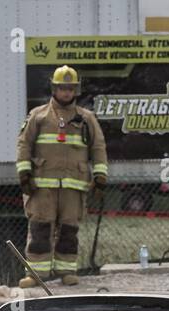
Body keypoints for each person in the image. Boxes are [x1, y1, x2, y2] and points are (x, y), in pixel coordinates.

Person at [16, 65, 108, 287]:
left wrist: (100, 176)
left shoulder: (86, 119)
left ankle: (67, 272)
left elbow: (98, 147)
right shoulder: (38, 116)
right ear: (54, 88)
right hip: (41, 187)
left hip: (73, 188)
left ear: (76, 90)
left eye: (70, 88)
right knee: (39, 229)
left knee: (69, 230)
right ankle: (36, 274)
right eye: (62, 88)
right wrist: (24, 174)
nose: (66, 92)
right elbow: (24, 145)